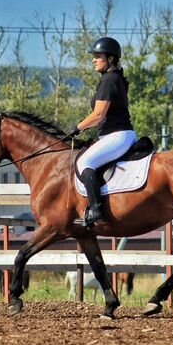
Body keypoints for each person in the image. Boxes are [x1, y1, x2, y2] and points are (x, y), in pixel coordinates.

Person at [69, 37, 137, 227]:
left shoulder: (109, 80)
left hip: (117, 135)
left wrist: (77, 128)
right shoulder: (114, 78)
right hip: (118, 135)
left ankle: (96, 209)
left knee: (84, 162)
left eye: (98, 56)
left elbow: (98, 115)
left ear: (111, 59)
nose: (94, 59)